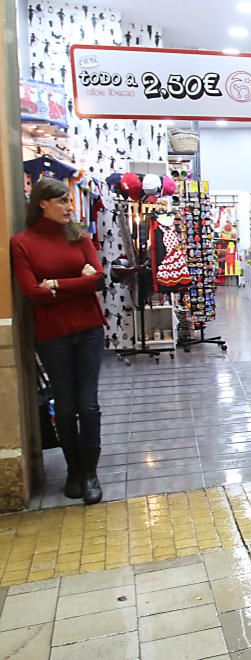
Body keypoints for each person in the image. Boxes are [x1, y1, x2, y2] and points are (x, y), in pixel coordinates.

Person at [10, 178, 107, 504]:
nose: (70, 207)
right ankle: (74, 471)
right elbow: (32, 292)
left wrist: (54, 285)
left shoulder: (79, 237)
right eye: (63, 201)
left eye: (69, 201)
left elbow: (97, 279)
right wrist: (73, 282)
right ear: (42, 203)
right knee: (65, 406)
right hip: (53, 335)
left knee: (88, 405)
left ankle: (90, 474)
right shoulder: (21, 243)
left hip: (90, 329)